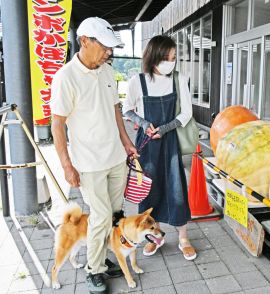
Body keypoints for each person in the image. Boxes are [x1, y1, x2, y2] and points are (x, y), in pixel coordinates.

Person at [51, 17, 138, 294]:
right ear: (85, 41)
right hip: (89, 162)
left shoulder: (107, 71)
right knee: (100, 217)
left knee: (113, 214)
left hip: (115, 158)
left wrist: (126, 142)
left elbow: (115, 110)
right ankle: (93, 270)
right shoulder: (66, 77)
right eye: (105, 47)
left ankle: (101, 259)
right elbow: (57, 124)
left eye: (111, 48)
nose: (108, 52)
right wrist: (66, 165)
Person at [122, 35, 196, 261]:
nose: (170, 62)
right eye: (166, 57)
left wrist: (164, 129)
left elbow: (186, 113)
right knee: (149, 192)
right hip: (147, 145)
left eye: (173, 58)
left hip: (170, 141)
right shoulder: (138, 80)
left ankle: (183, 238)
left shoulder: (178, 79)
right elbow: (127, 109)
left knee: (176, 189)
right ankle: (154, 238)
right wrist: (145, 124)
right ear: (153, 56)